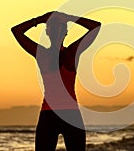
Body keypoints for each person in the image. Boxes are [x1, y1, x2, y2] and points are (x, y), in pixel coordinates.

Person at [11, 11, 101, 151]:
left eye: (60, 27)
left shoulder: (63, 53)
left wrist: (42, 19)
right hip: (58, 114)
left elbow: (96, 27)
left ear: (65, 32)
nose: (57, 30)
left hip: (63, 115)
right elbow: (15, 31)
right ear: (48, 32)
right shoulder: (60, 53)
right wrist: (43, 19)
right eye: (54, 27)